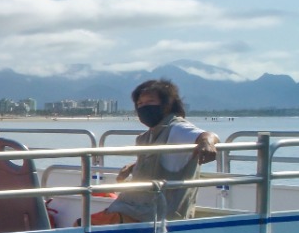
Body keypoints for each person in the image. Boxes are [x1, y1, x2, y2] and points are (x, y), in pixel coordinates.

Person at [92, 79, 219, 225]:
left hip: (154, 214)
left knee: (81, 229)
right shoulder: (148, 135)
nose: (144, 107)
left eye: (150, 102)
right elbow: (164, 159)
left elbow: (206, 135)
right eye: (140, 104)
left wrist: (207, 142)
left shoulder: (177, 129)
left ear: (167, 105)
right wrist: (134, 166)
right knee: (81, 226)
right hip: (134, 208)